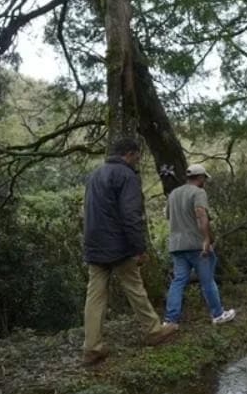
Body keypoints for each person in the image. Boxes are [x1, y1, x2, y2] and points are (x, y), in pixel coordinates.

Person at [82, 138, 177, 366]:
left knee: (94, 296)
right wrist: (139, 248)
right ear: (129, 154)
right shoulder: (126, 176)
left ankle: (92, 347)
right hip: (118, 245)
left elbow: (86, 210)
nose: (138, 160)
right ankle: (154, 330)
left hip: (93, 243)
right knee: (134, 287)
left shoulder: (94, 175)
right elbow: (130, 215)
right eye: (137, 155)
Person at [163, 165, 236, 327]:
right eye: (204, 178)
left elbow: (168, 216)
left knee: (178, 282)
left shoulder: (173, 194)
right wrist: (206, 240)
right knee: (207, 281)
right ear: (200, 177)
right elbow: (201, 214)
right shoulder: (198, 192)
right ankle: (217, 315)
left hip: (176, 245)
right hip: (196, 244)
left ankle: (170, 321)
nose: (205, 181)